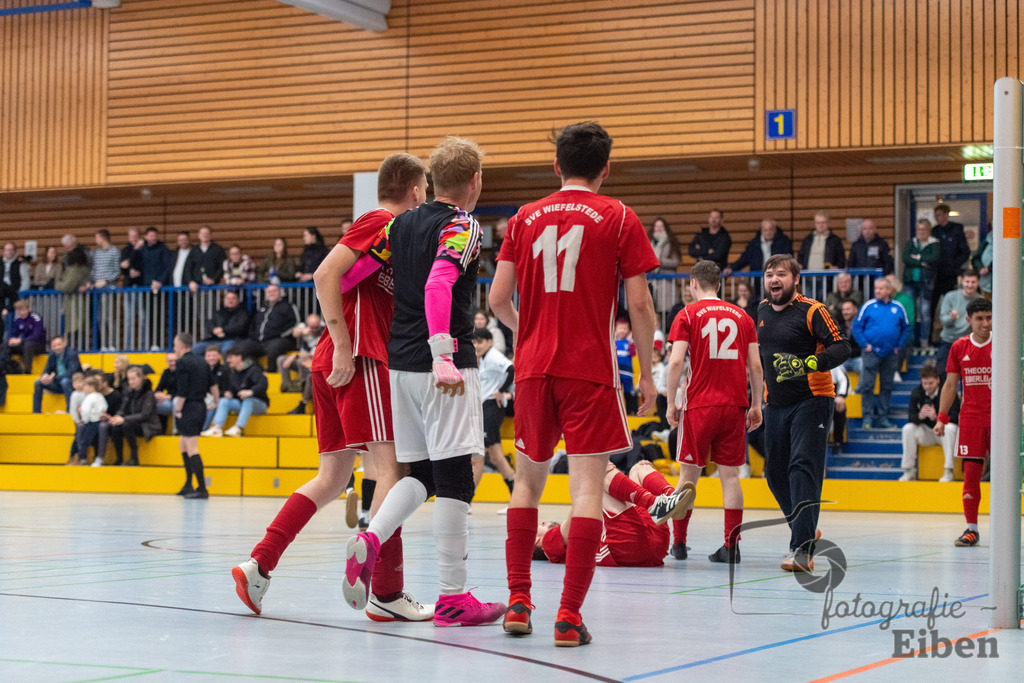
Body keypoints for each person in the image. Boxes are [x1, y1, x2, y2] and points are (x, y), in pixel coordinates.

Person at [490, 122, 689, 646]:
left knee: (526, 485)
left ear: (556, 165)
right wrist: (646, 371)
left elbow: (495, 301)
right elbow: (641, 304)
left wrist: (528, 332)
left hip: (533, 368)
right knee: (584, 490)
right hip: (591, 370)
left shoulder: (523, 217)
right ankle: (568, 617)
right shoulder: (620, 216)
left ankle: (517, 601)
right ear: (606, 168)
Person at [232, 152, 432, 623]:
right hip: (357, 358)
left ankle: (259, 564)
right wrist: (344, 343)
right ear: (416, 191)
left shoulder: (394, 238)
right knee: (393, 472)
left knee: (333, 478)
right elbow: (324, 274)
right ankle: (386, 592)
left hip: (337, 361)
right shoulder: (381, 222)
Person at [340, 137, 507, 629]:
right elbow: (439, 283)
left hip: (398, 364)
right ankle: (454, 598)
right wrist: (442, 352)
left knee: (422, 475)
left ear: (431, 181)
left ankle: (371, 538)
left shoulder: (400, 224)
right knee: (456, 476)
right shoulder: (463, 225)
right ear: (474, 181)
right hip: (444, 364)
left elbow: (350, 276)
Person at [664, 260, 763, 564]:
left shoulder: (687, 314)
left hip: (700, 405)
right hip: (734, 404)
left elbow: (677, 362)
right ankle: (731, 547)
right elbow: (756, 366)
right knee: (731, 477)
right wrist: (756, 403)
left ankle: (679, 543)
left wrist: (670, 403)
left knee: (688, 477)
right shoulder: (743, 316)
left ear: (693, 284)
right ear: (719, 285)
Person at [757, 254, 849, 573]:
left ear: (796, 279)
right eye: (769, 274)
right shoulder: (761, 311)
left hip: (813, 399)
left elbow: (842, 347)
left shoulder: (812, 310)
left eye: (781, 274)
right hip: (775, 403)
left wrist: (813, 363)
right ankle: (804, 527)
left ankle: (802, 549)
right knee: (773, 474)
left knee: (801, 468)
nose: (774, 280)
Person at [535, 461, 692, 568]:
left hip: (650, 549)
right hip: (628, 548)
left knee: (638, 468)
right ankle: (657, 504)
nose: (542, 523)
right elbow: (579, 506)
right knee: (595, 470)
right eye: (540, 526)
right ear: (536, 541)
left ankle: (672, 500)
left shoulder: (565, 540)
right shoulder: (548, 547)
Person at [934, 298, 992, 546]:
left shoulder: (1005, 342)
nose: (985, 323)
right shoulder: (959, 347)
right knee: (971, 475)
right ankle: (971, 529)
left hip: (1002, 418)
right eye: (980, 319)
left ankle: (1007, 528)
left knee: (1009, 475)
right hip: (971, 418)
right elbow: (950, 384)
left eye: (989, 318)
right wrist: (942, 417)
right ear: (968, 321)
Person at [852, 277, 909, 429]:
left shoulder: (898, 307)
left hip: (891, 353)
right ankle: (867, 419)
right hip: (871, 353)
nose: (877, 291)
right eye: (876, 288)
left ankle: (883, 418)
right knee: (867, 386)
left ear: (889, 290)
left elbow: (906, 328)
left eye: (881, 288)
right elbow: (856, 326)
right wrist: (865, 345)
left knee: (887, 386)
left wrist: (899, 346)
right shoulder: (868, 306)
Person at [172, 332, 219, 499]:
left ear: (182, 345)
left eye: (175, 344)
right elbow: (213, 384)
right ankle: (188, 484)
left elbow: (182, 390)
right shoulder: (201, 361)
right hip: (199, 406)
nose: (174, 348)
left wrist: (178, 409)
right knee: (183, 444)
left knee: (192, 447)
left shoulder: (182, 362)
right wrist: (216, 401)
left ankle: (201, 488)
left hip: (189, 407)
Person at [472, 328, 516, 495]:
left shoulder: (493, 356)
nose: (477, 345)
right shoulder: (483, 359)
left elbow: (510, 370)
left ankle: (467, 500)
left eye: (480, 342)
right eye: (474, 342)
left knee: (477, 457)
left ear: (490, 342)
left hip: (491, 407)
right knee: (497, 457)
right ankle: (515, 496)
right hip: (486, 407)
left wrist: (501, 391)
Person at [900, 364, 959, 482]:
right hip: (927, 432)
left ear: (937, 380)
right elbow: (910, 417)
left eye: (930, 383)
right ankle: (909, 470)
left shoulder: (947, 391)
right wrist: (919, 416)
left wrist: (938, 418)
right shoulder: (917, 393)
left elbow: (955, 417)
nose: (927, 387)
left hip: (943, 433)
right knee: (908, 429)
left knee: (950, 428)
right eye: (925, 383)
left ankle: (948, 471)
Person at [201, 348, 269, 437]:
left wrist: (251, 392)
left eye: (230, 357)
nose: (228, 360)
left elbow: (263, 384)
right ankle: (217, 428)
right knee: (224, 401)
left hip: (259, 404)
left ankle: (239, 428)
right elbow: (233, 390)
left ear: (239, 357)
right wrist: (228, 394)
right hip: (241, 403)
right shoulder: (232, 373)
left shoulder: (253, 370)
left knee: (248, 399)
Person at [930, 204, 971, 342]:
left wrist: (954, 266)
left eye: (940, 215)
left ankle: (955, 337)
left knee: (952, 305)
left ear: (946, 214)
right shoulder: (934, 231)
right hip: (936, 275)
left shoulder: (956, 229)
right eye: (936, 215)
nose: (938, 218)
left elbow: (965, 251)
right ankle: (931, 338)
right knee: (932, 307)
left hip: (950, 275)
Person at [108, 365, 160, 466]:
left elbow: (145, 415)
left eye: (133, 379)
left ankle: (134, 458)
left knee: (127, 425)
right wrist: (116, 417)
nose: (131, 382)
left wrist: (124, 419)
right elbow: (123, 409)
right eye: (129, 379)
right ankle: (119, 458)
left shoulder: (148, 394)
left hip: (148, 425)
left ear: (141, 378)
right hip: (133, 422)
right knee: (115, 426)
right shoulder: (129, 392)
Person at [902, 219, 940, 346]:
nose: (920, 232)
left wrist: (916, 257)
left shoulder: (934, 244)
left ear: (928, 231)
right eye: (918, 229)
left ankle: (924, 340)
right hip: (910, 281)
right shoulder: (911, 243)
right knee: (909, 311)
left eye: (923, 229)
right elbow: (905, 258)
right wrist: (922, 262)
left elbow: (934, 259)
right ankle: (910, 340)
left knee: (924, 312)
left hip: (926, 282)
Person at [935, 270, 982, 373]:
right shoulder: (950, 296)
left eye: (973, 282)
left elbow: (985, 327)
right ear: (962, 282)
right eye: (967, 281)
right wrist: (951, 317)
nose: (970, 285)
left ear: (978, 283)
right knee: (942, 373)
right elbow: (943, 320)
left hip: (970, 343)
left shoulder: (981, 301)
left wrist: (975, 325)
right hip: (949, 341)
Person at [723, 218, 793, 278]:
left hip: (778, 278)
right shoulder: (753, 245)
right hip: (759, 281)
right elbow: (743, 259)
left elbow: (788, 258)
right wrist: (732, 268)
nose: (768, 232)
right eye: (765, 230)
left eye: (770, 230)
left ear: (775, 230)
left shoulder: (783, 242)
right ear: (761, 231)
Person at [247, 283, 300, 361]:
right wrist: (253, 335)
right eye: (269, 292)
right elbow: (253, 324)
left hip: (279, 339)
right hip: (258, 340)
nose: (271, 293)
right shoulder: (262, 307)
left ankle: (271, 371)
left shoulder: (288, 306)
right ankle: (256, 370)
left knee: (274, 347)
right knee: (244, 347)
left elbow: (295, 323)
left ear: (280, 293)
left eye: (274, 291)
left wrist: (281, 334)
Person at [193, 288, 251, 355]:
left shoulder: (242, 313)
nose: (230, 301)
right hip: (215, 340)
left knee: (226, 351)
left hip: (232, 340)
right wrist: (214, 330)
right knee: (196, 348)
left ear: (238, 300)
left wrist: (223, 330)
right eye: (228, 298)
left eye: (233, 298)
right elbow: (209, 323)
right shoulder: (220, 311)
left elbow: (239, 327)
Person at [33, 336, 81, 413]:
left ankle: (69, 411)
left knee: (65, 381)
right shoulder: (52, 355)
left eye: (59, 344)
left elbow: (71, 373)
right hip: (57, 383)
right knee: (37, 383)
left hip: (72, 383)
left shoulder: (72, 354)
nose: (57, 347)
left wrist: (53, 378)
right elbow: (47, 369)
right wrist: (44, 376)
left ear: (64, 344)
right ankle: (36, 412)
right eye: (54, 346)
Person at [649, 217, 681, 312]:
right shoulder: (648, 242)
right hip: (651, 282)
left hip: (666, 283)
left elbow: (676, 261)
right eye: (656, 226)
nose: (658, 229)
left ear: (665, 228)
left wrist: (659, 261)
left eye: (661, 226)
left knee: (667, 311)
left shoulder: (671, 243)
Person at [74, 376, 107, 466]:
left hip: (91, 421)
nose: (83, 388)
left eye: (85, 386)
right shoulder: (99, 396)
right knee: (95, 439)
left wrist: (84, 419)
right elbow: (104, 407)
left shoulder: (90, 397)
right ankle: (96, 457)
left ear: (91, 387)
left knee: (84, 441)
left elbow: (85, 410)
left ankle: (82, 459)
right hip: (98, 421)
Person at [8, 300, 47, 374]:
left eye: (23, 310)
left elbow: (36, 335)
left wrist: (21, 340)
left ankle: (27, 371)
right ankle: (9, 369)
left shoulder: (35, 318)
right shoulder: (18, 320)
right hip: (25, 344)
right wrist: (12, 341)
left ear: (28, 309)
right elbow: (13, 334)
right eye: (19, 310)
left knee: (28, 344)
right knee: (6, 346)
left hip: (38, 345)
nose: (22, 312)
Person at [186, 225, 227, 291]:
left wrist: (213, 279)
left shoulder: (218, 250)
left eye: (207, 233)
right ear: (198, 235)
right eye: (202, 233)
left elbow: (222, 267)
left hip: (213, 287)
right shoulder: (193, 251)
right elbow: (188, 267)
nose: (204, 235)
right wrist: (190, 281)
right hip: (197, 287)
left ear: (211, 235)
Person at [830, 365, 850, 454]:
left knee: (840, 407)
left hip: (830, 397)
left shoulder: (833, 363)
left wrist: (841, 396)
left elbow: (844, 380)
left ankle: (838, 442)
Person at [153, 352, 178, 421]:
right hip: (168, 400)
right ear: (167, 362)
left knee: (175, 402)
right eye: (170, 361)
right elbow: (159, 388)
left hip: (179, 400)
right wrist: (157, 395)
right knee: (152, 403)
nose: (173, 363)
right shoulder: (166, 372)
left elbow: (184, 392)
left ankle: (176, 430)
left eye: (175, 361)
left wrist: (167, 397)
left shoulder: (183, 373)